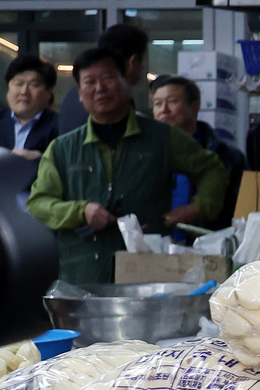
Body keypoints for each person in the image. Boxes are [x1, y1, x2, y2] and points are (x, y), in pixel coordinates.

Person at [29, 46, 227, 284]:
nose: (100, 88)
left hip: (147, 275)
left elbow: (212, 169)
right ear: (80, 93)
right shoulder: (62, 149)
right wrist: (81, 211)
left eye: (108, 78)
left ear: (127, 83)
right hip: (83, 276)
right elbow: (39, 203)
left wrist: (198, 207)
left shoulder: (162, 137)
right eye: (90, 82)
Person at [151, 74, 247, 231]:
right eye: (158, 104)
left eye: (172, 101)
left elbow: (241, 211)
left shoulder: (227, 157)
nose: (164, 110)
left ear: (195, 106)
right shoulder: (147, 153)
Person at [56, 22, 149, 135]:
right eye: (142, 62)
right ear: (133, 62)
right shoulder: (117, 100)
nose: (100, 88)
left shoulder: (73, 95)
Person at [1, 55, 61, 199]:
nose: (24, 92)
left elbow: (61, 171)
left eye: (34, 85)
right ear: (8, 89)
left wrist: (39, 161)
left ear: (49, 93)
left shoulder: (60, 126)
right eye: (18, 84)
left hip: (37, 204)